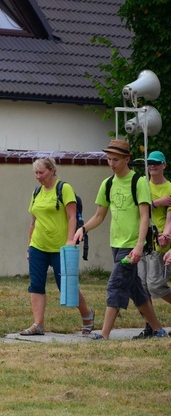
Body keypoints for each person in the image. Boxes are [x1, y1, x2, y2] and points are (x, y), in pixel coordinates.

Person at [74, 139, 167, 339]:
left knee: (115, 285)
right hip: (115, 244)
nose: (111, 163)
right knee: (136, 289)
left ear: (127, 159)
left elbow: (144, 217)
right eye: (109, 159)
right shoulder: (107, 184)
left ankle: (105, 334)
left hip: (131, 246)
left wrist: (139, 246)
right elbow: (99, 216)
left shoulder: (138, 182)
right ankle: (158, 330)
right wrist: (83, 229)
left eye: (116, 159)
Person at [20, 157, 95, 336]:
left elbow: (71, 217)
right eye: (36, 173)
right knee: (36, 284)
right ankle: (38, 324)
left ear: (52, 170)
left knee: (66, 285)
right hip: (39, 245)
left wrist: (70, 240)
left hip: (60, 246)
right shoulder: (37, 192)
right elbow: (33, 221)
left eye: (42, 172)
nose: (38, 176)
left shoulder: (64, 189)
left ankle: (87, 315)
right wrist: (29, 246)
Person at [133, 151, 171, 338]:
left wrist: (166, 234)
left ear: (164, 165)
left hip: (160, 241)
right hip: (143, 240)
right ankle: (149, 326)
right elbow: (138, 209)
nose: (152, 166)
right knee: (142, 287)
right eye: (149, 163)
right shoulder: (143, 186)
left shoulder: (169, 187)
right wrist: (157, 203)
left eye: (156, 163)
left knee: (155, 285)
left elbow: (170, 216)